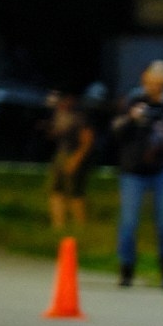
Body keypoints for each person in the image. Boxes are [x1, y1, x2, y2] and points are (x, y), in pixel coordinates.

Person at [110, 60, 163, 289]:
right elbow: (116, 131)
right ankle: (126, 269)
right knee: (129, 223)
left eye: (161, 84)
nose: (156, 88)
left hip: (161, 171)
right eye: (152, 83)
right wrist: (132, 117)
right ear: (145, 80)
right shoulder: (133, 100)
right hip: (133, 172)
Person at [41, 90, 94, 233]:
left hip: (75, 153)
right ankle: (58, 226)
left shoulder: (80, 115)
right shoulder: (57, 114)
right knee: (56, 189)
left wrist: (77, 158)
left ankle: (81, 227)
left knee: (75, 193)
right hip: (61, 153)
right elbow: (54, 133)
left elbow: (87, 139)